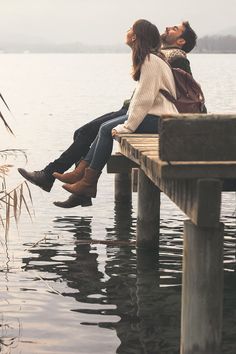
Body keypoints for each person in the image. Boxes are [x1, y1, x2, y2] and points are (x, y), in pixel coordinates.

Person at [18, 21, 197, 208]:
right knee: (91, 131)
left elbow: (144, 99)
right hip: (151, 113)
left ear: (136, 36)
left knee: (103, 129)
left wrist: (127, 127)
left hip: (158, 117)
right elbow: (143, 99)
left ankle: (83, 181)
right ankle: (81, 177)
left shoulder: (154, 60)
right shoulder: (153, 58)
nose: (126, 31)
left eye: (130, 28)